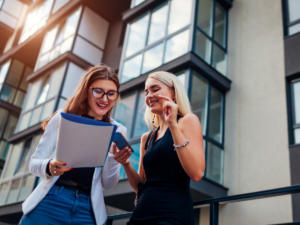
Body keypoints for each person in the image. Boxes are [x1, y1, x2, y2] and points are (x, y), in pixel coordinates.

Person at [19, 64, 130, 225]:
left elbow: (108, 184)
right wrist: (49, 166)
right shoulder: (62, 117)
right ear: (86, 91)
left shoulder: (119, 130)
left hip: (86, 211)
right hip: (50, 202)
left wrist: (114, 158)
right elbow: (33, 164)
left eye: (111, 94)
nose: (105, 99)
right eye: (98, 91)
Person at [113, 71, 206, 225]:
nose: (149, 95)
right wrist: (126, 163)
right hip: (141, 214)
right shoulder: (147, 138)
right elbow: (140, 186)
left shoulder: (188, 121)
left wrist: (173, 126)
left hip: (172, 213)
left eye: (155, 90)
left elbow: (196, 173)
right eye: (146, 92)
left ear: (174, 93)